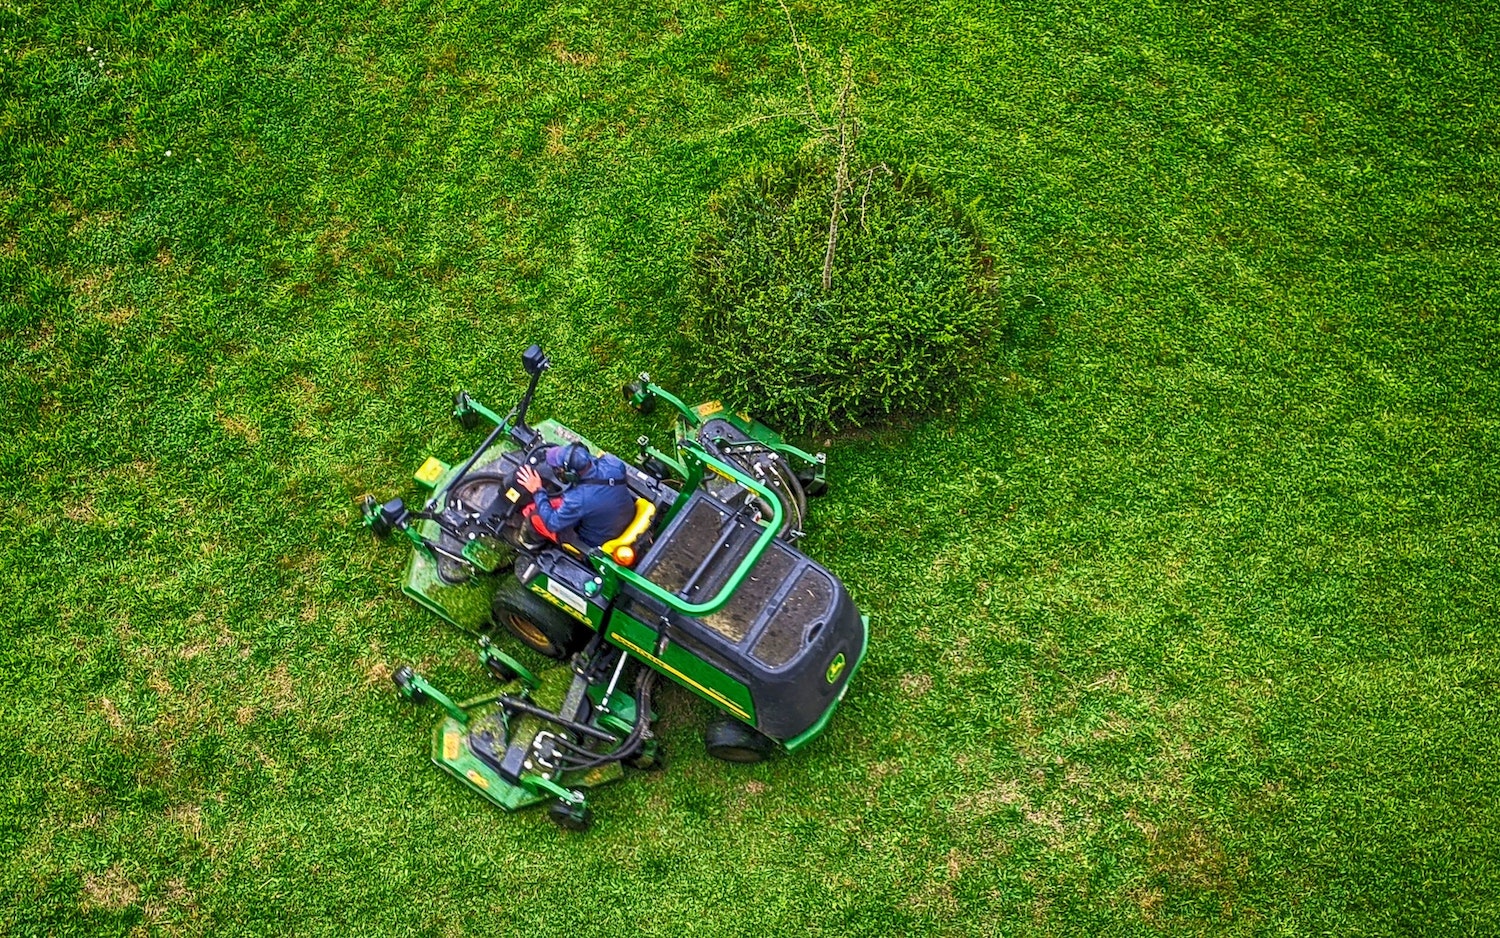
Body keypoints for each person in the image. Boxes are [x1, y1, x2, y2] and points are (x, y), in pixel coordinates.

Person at [515, 443, 636, 549]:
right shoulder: (613, 464)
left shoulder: (578, 499)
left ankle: (527, 544)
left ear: (571, 475)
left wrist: (537, 490)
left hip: (597, 540)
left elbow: (552, 523)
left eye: (559, 469)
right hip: (623, 515)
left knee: (536, 518)